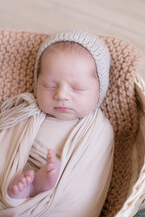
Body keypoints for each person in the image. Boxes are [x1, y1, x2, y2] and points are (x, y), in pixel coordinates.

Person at [0, 29, 114, 217]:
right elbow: (6, 142)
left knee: (58, 176)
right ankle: (23, 193)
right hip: (13, 183)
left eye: (77, 88)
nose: (61, 95)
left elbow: (88, 184)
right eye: (49, 86)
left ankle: (37, 189)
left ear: (99, 91)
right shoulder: (25, 111)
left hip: (59, 202)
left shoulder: (98, 131)